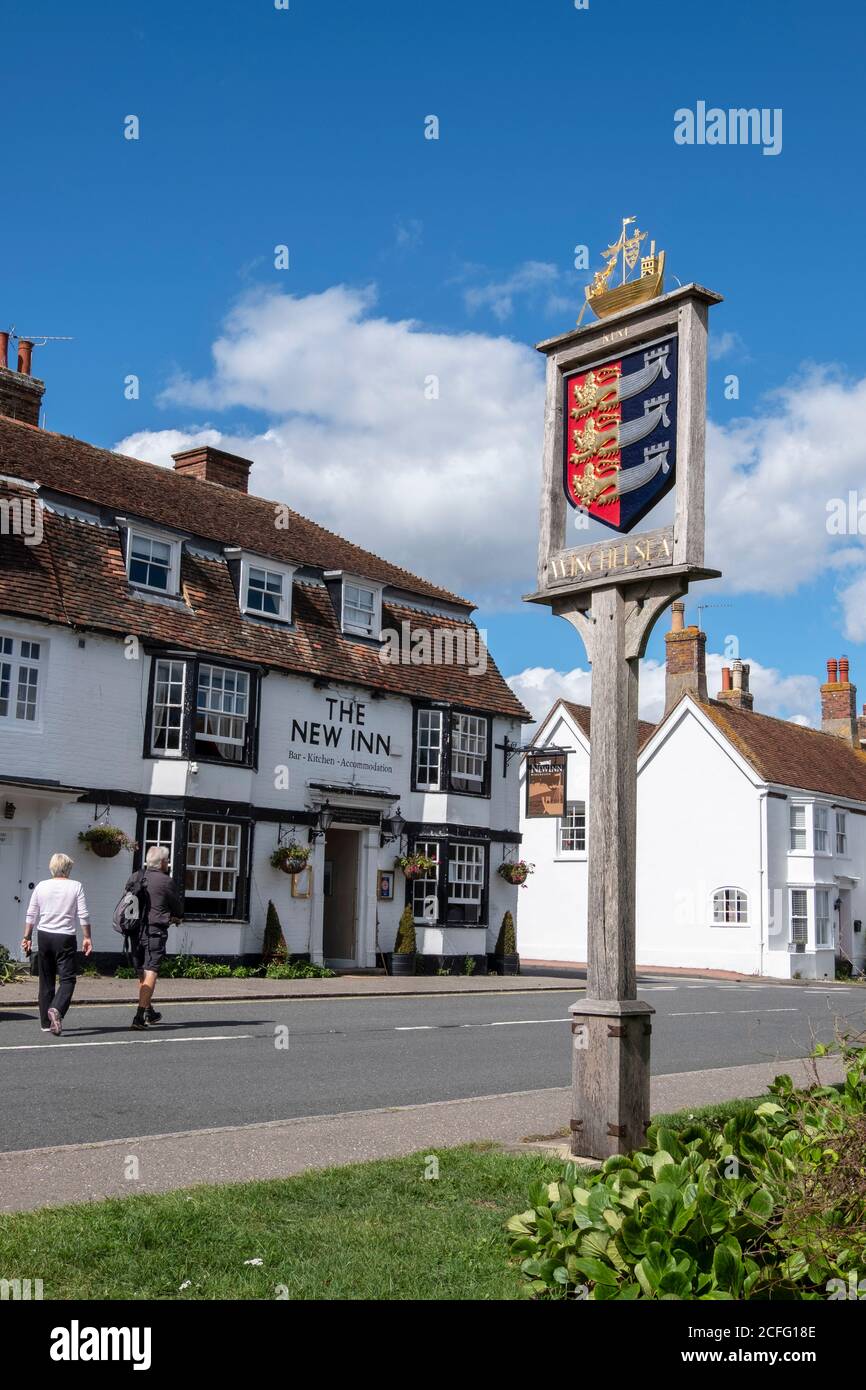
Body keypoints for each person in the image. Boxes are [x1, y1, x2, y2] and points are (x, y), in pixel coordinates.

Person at [21, 853, 92, 1036]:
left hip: (44, 935)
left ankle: (46, 1023)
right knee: (68, 979)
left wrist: (27, 937)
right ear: (68, 868)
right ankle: (57, 1009)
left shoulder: (41, 886)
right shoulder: (76, 886)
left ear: (52, 867)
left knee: (46, 979)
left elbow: (31, 914)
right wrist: (87, 937)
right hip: (65, 937)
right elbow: (83, 914)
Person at [128, 845, 182, 1031]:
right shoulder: (166, 881)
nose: (168, 863)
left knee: (142, 971)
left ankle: (149, 1010)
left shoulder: (136, 876)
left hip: (134, 931)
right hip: (154, 931)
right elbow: (178, 909)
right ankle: (139, 1016)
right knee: (151, 970)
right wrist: (174, 917)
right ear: (161, 863)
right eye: (167, 860)